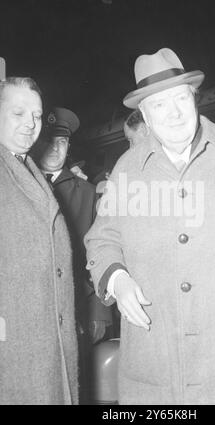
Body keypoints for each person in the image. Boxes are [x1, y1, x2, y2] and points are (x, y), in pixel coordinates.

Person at [85, 48, 215, 405]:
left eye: (180, 98)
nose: (173, 113)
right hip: (157, 365)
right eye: (159, 105)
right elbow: (101, 240)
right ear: (145, 117)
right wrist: (117, 279)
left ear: (194, 99)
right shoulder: (127, 169)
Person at [0, 78, 78, 404]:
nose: (31, 124)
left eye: (36, 115)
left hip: (46, 340)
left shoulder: (27, 167)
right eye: (19, 113)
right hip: (15, 342)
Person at [32, 107, 112, 403]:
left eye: (62, 142)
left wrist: (100, 315)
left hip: (80, 310)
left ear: (69, 147)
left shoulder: (87, 193)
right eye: (48, 140)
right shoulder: (18, 187)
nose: (54, 148)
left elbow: (102, 250)